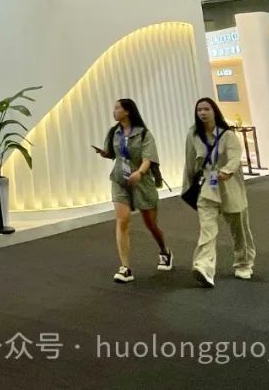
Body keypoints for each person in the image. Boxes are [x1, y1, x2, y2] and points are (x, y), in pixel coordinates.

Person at [94, 98, 173, 283]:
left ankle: (164, 251)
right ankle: (125, 268)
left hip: (141, 182)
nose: (114, 111)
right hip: (119, 180)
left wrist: (140, 172)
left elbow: (148, 158)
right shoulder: (114, 132)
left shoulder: (144, 134)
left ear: (127, 111)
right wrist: (105, 153)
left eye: (117, 108)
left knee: (151, 224)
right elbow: (113, 153)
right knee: (122, 220)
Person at [184, 97, 256, 287]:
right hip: (207, 187)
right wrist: (189, 187)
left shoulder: (227, 135)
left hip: (230, 186)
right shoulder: (193, 134)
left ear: (214, 111)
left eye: (206, 109)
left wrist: (227, 170)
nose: (202, 113)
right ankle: (204, 266)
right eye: (199, 109)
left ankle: (243, 263)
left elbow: (235, 157)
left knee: (239, 228)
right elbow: (190, 161)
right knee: (207, 230)